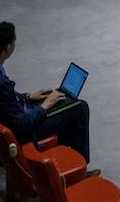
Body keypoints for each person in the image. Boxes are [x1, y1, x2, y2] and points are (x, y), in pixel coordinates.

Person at [0, 22, 91, 162]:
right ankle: (81, 166)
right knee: (80, 107)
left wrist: (28, 97)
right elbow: (22, 125)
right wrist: (44, 106)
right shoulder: (2, 83)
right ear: (7, 47)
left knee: (61, 101)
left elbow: (7, 100)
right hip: (26, 131)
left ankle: (66, 158)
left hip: (18, 113)